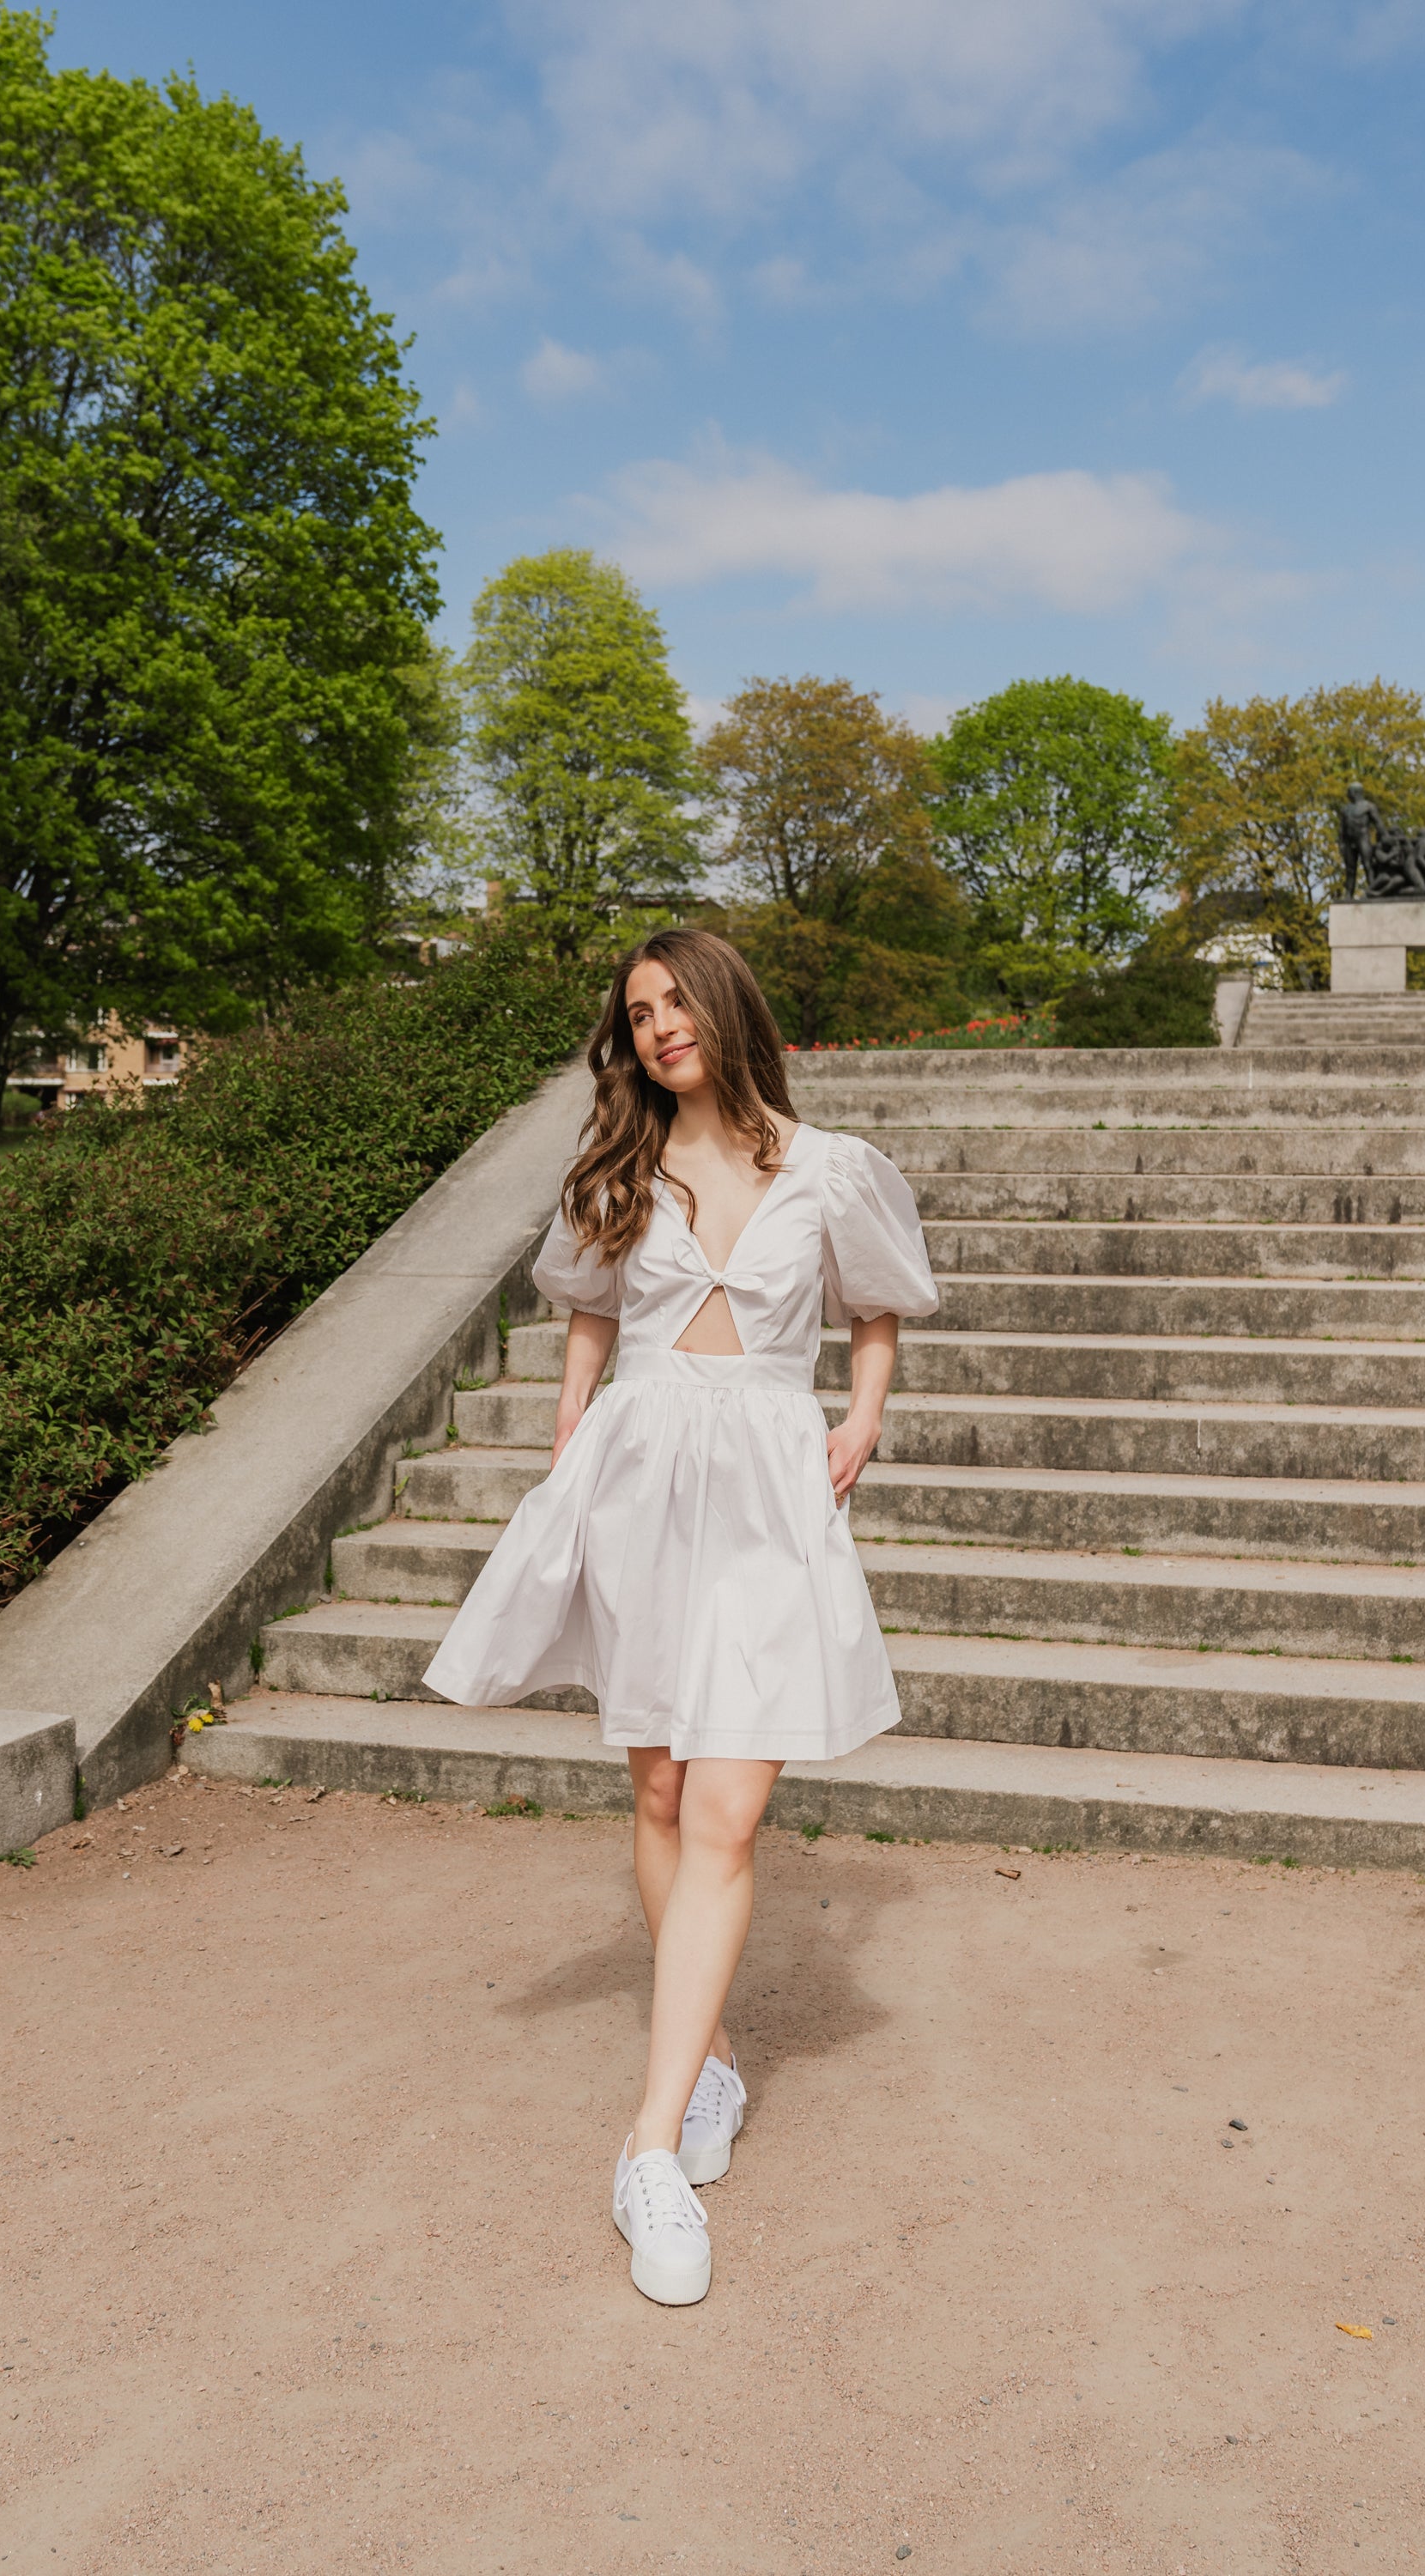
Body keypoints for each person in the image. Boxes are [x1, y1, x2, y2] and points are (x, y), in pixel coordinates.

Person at [425, 927, 937, 2307]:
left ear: (726, 1008)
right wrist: (565, 1457)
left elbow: (878, 1307)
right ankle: (705, 2063)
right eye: (636, 1013)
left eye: (673, 1003)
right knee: (656, 1789)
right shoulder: (620, 1169)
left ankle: (646, 2150)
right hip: (642, 1478)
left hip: (770, 1484)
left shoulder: (830, 1170)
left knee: (726, 1810)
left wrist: (864, 1419)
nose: (656, 1028)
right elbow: (588, 1324)